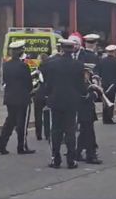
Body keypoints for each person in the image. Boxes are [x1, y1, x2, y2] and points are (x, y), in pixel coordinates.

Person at [44, 38, 85, 169]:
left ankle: (55, 159)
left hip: (55, 101)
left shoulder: (52, 64)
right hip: (72, 102)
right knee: (70, 131)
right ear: (73, 49)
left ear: (61, 49)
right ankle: (71, 160)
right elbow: (81, 86)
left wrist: (48, 95)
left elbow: (48, 84)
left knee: (55, 131)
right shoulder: (78, 65)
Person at [0, 40, 35, 155]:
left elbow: (5, 81)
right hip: (22, 98)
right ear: (21, 51)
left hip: (9, 97)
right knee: (22, 123)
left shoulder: (6, 65)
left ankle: (1, 144)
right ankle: (21, 146)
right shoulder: (24, 66)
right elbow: (29, 84)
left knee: (10, 122)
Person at [76, 64, 103, 164]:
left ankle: (77, 153)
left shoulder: (87, 83)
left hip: (87, 112)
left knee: (83, 133)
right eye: (87, 73)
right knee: (89, 134)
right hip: (84, 112)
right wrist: (94, 93)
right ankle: (90, 156)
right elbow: (85, 97)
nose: (88, 75)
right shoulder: (82, 84)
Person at [96, 45, 116, 124]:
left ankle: (105, 118)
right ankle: (109, 118)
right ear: (114, 52)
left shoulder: (102, 61)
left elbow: (99, 72)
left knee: (105, 101)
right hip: (113, 84)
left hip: (104, 84)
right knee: (112, 101)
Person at [34, 53, 50, 141]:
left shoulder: (38, 69)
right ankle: (47, 133)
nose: (37, 59)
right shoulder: (51, 68)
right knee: (47, 114)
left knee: (38, 114)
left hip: (39, 93)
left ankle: (38, 134)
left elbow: (35, 82)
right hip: (47, 93)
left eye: (38, 58)